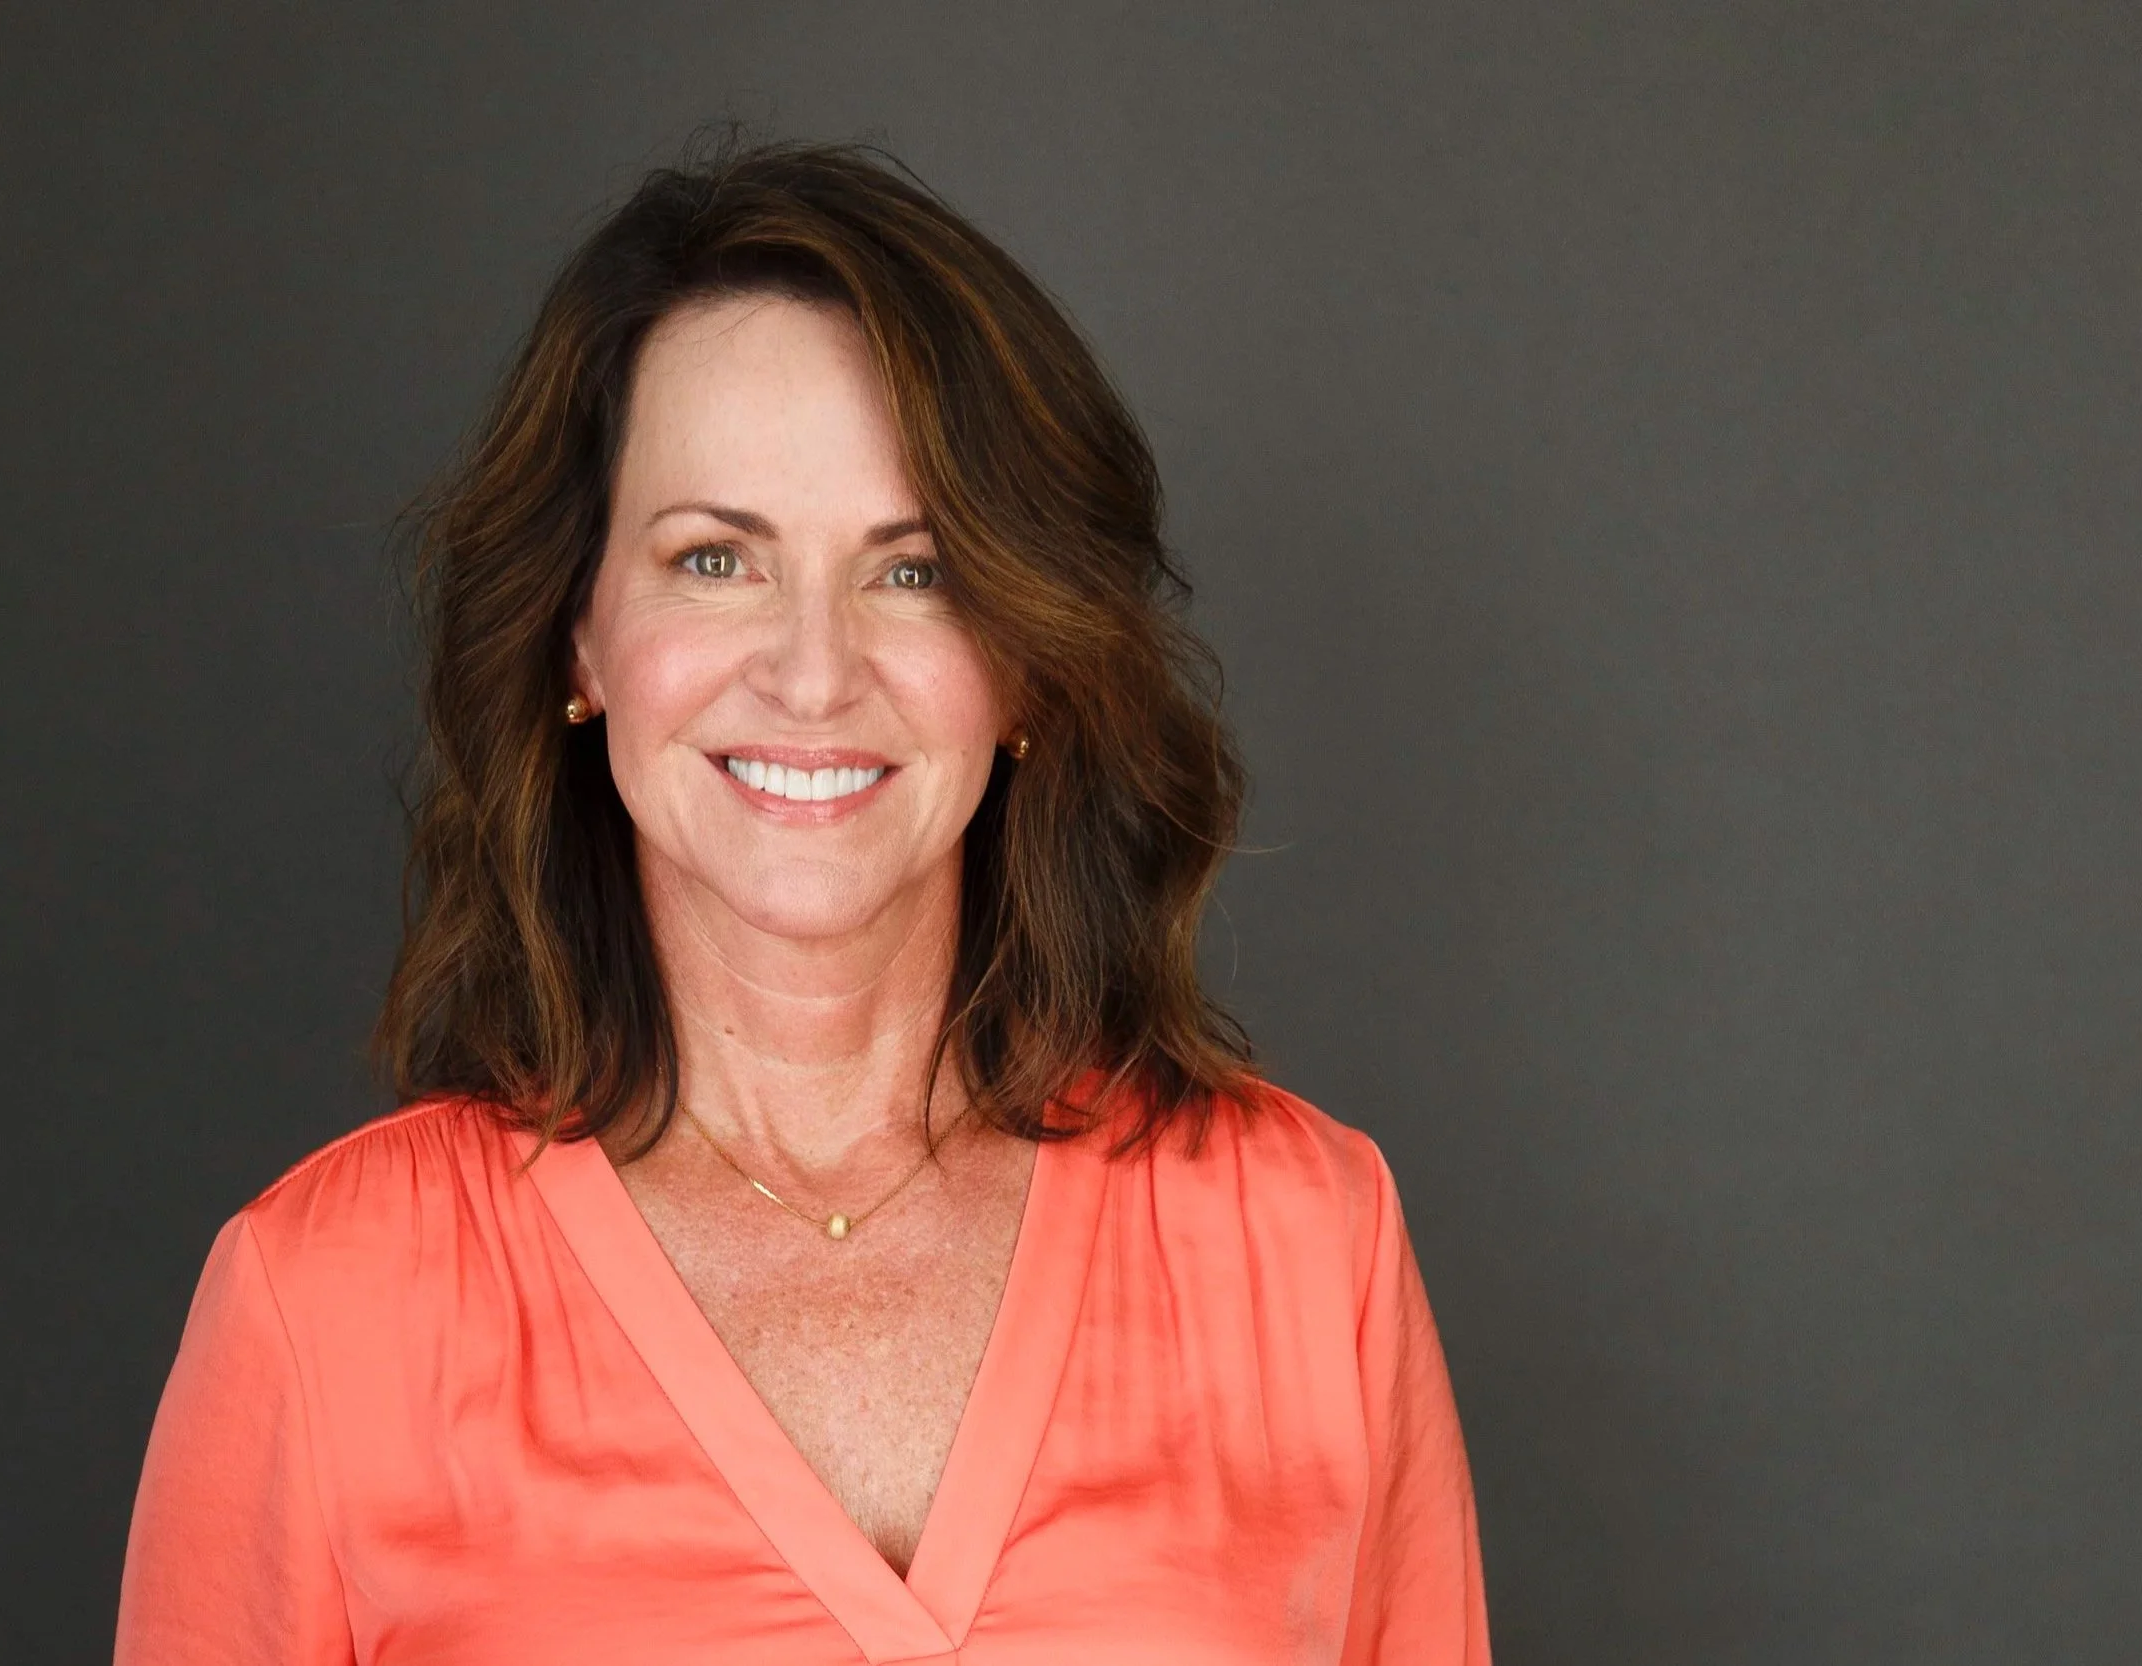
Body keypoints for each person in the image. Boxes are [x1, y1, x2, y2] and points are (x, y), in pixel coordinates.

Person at [114, 138, 1490, 1665]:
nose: (814, 672)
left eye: (913, 571)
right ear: (581, 638)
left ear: (1027, 660)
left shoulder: (1309, 1247)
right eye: (716, 558)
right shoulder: (323, 1303)